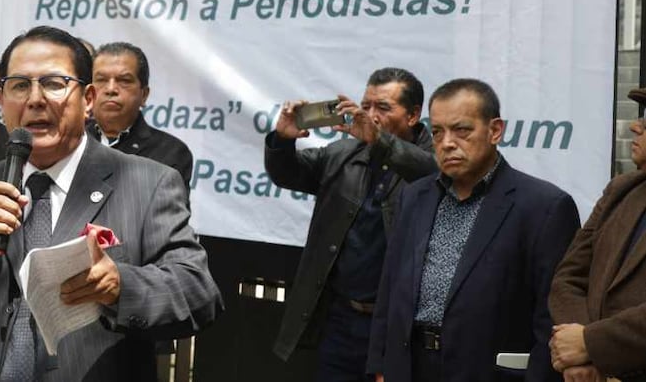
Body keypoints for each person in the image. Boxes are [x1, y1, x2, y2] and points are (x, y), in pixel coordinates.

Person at [0, 25, 222, 382]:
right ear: (3, 101)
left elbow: (198, 294)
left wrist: (121, 286)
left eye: (53, 83)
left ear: (88, 100)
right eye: (20, 86)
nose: (35, 99)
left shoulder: (149, 183)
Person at [367, 78, 581, 382]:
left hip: (487, 371)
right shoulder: (414, 197)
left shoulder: (544, 207)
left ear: (495, 131)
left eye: (462, 130)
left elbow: (554, 315)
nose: (447, 143)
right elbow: (390, 287)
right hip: (410, 366)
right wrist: (381, 364)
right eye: (438, 132)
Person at [265, 67, 436, 380]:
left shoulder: (436, 157)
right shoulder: (343, 152)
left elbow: (434, 175)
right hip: (341, 320)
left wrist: (381, 142)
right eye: (366, 105)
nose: (369, 115)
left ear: (413, 115)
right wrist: (282, 139)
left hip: (398, 326)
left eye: (383, 108)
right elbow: (288, 173)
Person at [547, 87, 646, 382]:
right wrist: (582, 353)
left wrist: (592, 344)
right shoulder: (622, 190)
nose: (635, 125)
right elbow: (567, 279)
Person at [86, 42, 193, 187]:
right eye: (101, 80)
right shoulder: (70, 142)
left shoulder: (171, 152)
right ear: (88, 93)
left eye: (124, 80)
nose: (111, 89)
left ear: (144, 95)